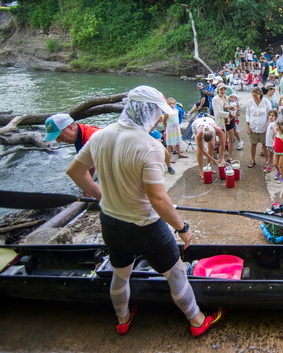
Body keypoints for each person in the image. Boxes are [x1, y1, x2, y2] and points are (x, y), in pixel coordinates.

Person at [65, 85, 224, 337]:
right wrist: (183, 228)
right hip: (145, 226)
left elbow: (75, 171)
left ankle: (123, 318)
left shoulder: (99, 136)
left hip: (111, 222)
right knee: (176, 274)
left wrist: (100, 195)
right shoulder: (149, 146)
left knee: (121, 273)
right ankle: (197, 319)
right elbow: (158, 199)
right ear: (147, 111)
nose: (159, 119)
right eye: (157, 113)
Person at [245, 87, 272, 168]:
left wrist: (268, 125)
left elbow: (270, 115)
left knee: (265, 145)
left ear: (260, 94)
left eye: (256, 96)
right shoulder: (250, 102)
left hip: (263, 127)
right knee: (253, 144)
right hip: (253, 126)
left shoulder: (266, 102)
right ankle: (253, 160)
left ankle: (267, 161)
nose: (254, 98)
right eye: (253, 96)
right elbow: (247, 114)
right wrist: (247, 126)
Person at [212, 84, 236, 162]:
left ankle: (229, 156)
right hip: (222, 122)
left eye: (224, 89)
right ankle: (221, 158)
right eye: (221, 89)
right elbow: (218, 112)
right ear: (218, 90)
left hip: (230, 120)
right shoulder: (215, 99)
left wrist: (233, 111)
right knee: (223, 142)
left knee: (231, 140)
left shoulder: (227, 98)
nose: (223, 91)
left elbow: (229, 108)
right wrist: (229, 114)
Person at [163, 98, 188, 163]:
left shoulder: (176, 110)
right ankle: (169, 157)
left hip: (176, 128)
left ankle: (179, 154)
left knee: (177, 141)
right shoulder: (166, 113)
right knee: (169, 144)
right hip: (170, 129)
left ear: (175, 104)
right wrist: (165, 129)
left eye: (173, 104)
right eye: (169, 104)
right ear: (167, 105)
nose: (171, 105)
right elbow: (164, 122)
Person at [263, 109, 278, 173]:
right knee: (270, 155)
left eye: (273, 115)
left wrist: (275, 142)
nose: (271, 117)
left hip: (273, 144)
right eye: (270, 115)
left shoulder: (275, 124)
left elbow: (276, 133)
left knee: (276, 156)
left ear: (275, 117)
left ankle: (278, 169)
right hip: (269, 143)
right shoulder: (269, 123)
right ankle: (269, 166)